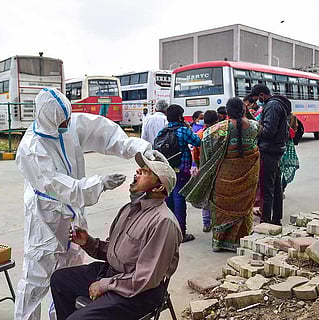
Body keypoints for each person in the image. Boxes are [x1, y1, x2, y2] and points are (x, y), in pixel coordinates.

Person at [15, 88, 161, 320]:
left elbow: (107, 134)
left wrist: (141, 148)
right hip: (45, 219)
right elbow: (59, 188)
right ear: (48, 120)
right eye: (62, 122)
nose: (67, 124)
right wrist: (99, 183)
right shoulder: (32, 148)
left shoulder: (70, 125)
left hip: (72, 215)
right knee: (36, 279)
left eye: (68, 119)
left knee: (68, 274)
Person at [50, 152, 182, 320]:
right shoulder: (129, 209)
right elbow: (114, 253)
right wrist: (88, 242)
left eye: (146, 171)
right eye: (140, 169)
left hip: (139, 293)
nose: (138, 172)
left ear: (158, 187)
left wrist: (105, 285)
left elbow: (145, 279)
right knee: (60, 280)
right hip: (113, 275)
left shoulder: (163, 222)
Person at [181, 97, 260, 252]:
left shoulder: (215, 130)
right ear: (244, 110)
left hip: (224, 178)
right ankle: (241, 239)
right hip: (249, 176)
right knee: (243, 207)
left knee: (222, 208)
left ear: (227, 112)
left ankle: (220, 242)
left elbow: (205, 155)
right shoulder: (255, 126)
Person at [250, 84, 291, 226]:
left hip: (270, 150)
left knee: (267, 188)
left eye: (257, 99)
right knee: (276, 186)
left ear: (262, 95)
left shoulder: (272, 106)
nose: (257, 102)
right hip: (275, 150)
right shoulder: (275, 104)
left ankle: (266, 220)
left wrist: (255, 127)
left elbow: (269, 131)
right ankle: (276, 219)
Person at [160, 104, 201, 242]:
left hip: (166, 170)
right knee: (179, 199)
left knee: (168, 199)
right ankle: (181, 233)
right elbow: (197, 141)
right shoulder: (183, 130)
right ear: (180, 116)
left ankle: (170, 231)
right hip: (181, 169)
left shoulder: (163, 131)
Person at [191, 110, 218, 233]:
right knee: (217, 196)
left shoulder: (200, 134)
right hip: (218, 169)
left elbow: (195, 154)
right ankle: (216, 222)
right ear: (216, 121)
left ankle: (206, 223)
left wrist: (198, 165)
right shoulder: (220, 133)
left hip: (204, 169)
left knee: (206, 197)